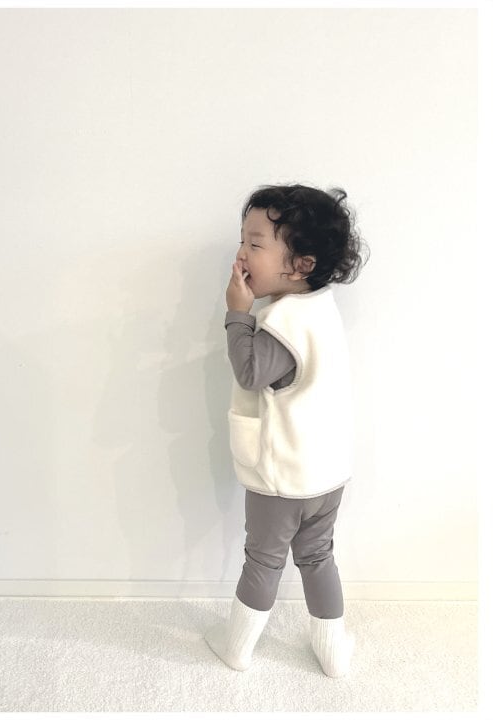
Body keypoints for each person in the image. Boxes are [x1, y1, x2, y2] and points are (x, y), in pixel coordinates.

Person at [204, 183, 370, 677]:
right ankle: (333, 652)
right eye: (242, 240)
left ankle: (236, 648)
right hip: (327, 474)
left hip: (283, 479)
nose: (241, 253)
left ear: (301, 265)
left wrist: (238, 315)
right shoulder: (320, 308)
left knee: (263, 560)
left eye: (255, 243)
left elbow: (251, 372)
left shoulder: (281, 321)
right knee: (318, 557)